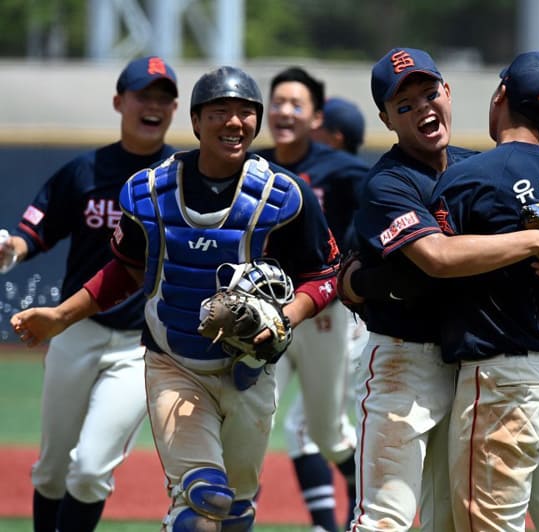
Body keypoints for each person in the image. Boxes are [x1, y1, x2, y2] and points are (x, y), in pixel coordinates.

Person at [11, 65, 338, 531]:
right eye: (220, 111)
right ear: (197, 120)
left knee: (236, 509)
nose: (234, 122)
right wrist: (63, 316)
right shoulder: (150, 191)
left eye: (246, 112)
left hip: (249, 371)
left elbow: (324, 274)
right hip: (173, 363)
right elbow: (126, 270)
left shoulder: (284, 196)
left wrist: (287, 316)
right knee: (204, 495)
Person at [340, 47, 539, 532]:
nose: (423, 109)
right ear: (386, 119)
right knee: (384, 518)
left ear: (448, 92)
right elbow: (436, 258)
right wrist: (532, 241)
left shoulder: (476, 166)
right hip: (404, 362)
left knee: (446, 521)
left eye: (429, 94)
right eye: (404, 105)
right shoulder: (389, 182)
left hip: (466, 367)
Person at [0, 56, 177, 532]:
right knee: (52, 470)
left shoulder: (180, 178)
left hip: (141, 344)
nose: (153, 105)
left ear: (176, 108)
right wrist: (12, 249)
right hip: (76, 331)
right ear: (119, 102)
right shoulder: (85, 171)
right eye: (143, 95)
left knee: (91, 469)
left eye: (163, 97)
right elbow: (36, 231)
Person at [255, 66, 367, 532]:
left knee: (326, 432)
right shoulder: (253, 165)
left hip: (324, 314)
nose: (285, 111)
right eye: (278, 102)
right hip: (264, 312)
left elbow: (387, 195)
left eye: (296, 104)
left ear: (315, 117)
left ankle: (361, 491)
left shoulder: (340, 168)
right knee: (251, 417)